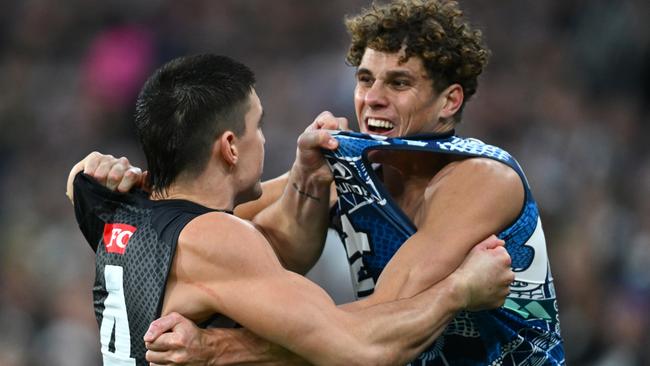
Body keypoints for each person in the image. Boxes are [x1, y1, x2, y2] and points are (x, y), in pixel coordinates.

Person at [73, 0, 566, 364]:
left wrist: (220, 346)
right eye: (365, 79)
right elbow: (200, 216)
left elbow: (375, 329)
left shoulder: (479, 177)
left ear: (450, 101)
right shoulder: (346, 165)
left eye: (398, 83)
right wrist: (121, 181)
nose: (372, 98)